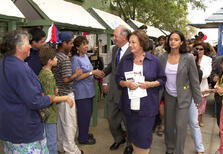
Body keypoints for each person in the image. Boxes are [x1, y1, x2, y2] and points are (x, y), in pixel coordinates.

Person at [0, 30, 52, 153]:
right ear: (18, 47)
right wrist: (49, 98)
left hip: (9, 126)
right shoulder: (19, 68)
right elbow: (34, 101)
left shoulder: (4, 63)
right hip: (23, 130)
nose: (30, 46)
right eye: (28, 43)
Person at [116, 30, 166, 154]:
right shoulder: (126, 60)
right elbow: (118, 79)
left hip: (147, 107)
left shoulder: (154, 61)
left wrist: (150, 84)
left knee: (144, 139)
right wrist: (126, 83)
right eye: (130, 42)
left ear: (142, 44)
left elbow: (162, 79)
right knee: (133, 136)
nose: (130, 45)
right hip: (130, 107)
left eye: (134, 42)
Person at [159, 30, 202, 154]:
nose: (173, 42)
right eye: (171, 39)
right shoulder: (163, 57)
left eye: (176, 39)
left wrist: (198, 99)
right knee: (169, 125)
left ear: (181, 42)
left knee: (180, 126)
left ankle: (178, 151)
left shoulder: (188, 58)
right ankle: (170, 148)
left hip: (184, 97)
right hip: (168, 96)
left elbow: (194, 79)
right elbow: (159, 77)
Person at [102, 25, 133, 154]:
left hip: (127, 91)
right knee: (111, 117)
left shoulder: (133, 50)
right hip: (114, 91)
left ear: (124, 37)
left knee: (128, 120)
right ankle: (119, 138)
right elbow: (112, 66)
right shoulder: (115, 49)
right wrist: (102, 73)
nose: (113, 38)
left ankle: (130, 145)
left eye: (115, 36)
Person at [38, 46, 74, 154]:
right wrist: (66, 98)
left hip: (46, 113)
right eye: (55, 58)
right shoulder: (49, 76)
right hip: (50, 115)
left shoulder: (42, 72)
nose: (57, 59)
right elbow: (50, 98)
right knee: (51, 143)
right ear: (50, 61)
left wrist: (54, 90)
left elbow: (46, 92)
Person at [52, 31, 83, 154]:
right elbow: (66, 79)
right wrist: (76, 74)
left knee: (60, 125)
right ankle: (72, 150)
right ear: (63, 43)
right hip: (66, 95)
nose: (71, 45)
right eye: (70, 43)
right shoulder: (64, 59)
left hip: (57, 96)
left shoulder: (54, 55)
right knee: (70, 125)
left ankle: (60, 147)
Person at [71, 36, 104, 145]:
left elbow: (89, 71)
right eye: (83, 44)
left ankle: (84, 133)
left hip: (89, 91)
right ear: (77, 47)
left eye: (86, 44)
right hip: (82, 93)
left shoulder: (85, 56)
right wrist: (92, 73)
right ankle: (82, 139)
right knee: (83, 116)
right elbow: (77, 78)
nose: (86, 46)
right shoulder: (75, 59)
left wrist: (96, 74)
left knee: (87, 114)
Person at [189, 49, 205, 154]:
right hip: (178, 98)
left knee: (194, 123)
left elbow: (195, 87)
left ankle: (200, 149)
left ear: (196, 57)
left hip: (191, 99)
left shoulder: (198, 71)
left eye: (193, 54)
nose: (190, 56)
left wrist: (197, 99)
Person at [193, 42, 212, 127]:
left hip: (202, 87)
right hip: (189, 87)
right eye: (197, 49)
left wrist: (193, 77)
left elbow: (207, 73)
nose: (198, 51)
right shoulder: (190, 57)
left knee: (201, 106)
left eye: (201, 49)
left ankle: (199, 119)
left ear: (204, 50)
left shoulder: (208, 59)